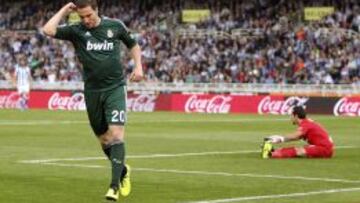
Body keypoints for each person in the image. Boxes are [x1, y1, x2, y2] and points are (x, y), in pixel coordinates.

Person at [42, 0, 143, 201]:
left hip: (115, 88)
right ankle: (122, 170)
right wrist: (64, 10)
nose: (86, 20)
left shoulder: (115, 26)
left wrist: (138, 67)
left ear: (97, 10)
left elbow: (133, 44)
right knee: (104, 140)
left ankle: (114, 186)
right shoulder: (76, 30)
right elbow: (48, 29)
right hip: (92, 91)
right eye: (82, 17)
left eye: (89, 15)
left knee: (116, 134)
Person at [261, 106, 334, 159]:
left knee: (298, 151)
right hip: (324, 148)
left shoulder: (306, 124)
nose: (291, 118)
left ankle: (272, 154)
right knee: (298, 150)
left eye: (291, 115)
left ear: (296, 116)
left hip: (323, 148)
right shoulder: (307, 122)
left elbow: (295, 136)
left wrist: (279, 138)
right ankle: (274, 152)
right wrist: (280, 139)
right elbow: (297, 137)